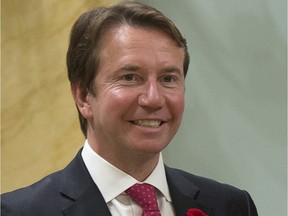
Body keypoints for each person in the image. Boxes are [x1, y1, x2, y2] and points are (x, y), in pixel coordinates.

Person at [1, 1, 258, 216]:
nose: (153, 98)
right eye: (129, 77)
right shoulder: (19, 211)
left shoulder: (231, 206)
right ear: (83, 96)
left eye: (168, 78)